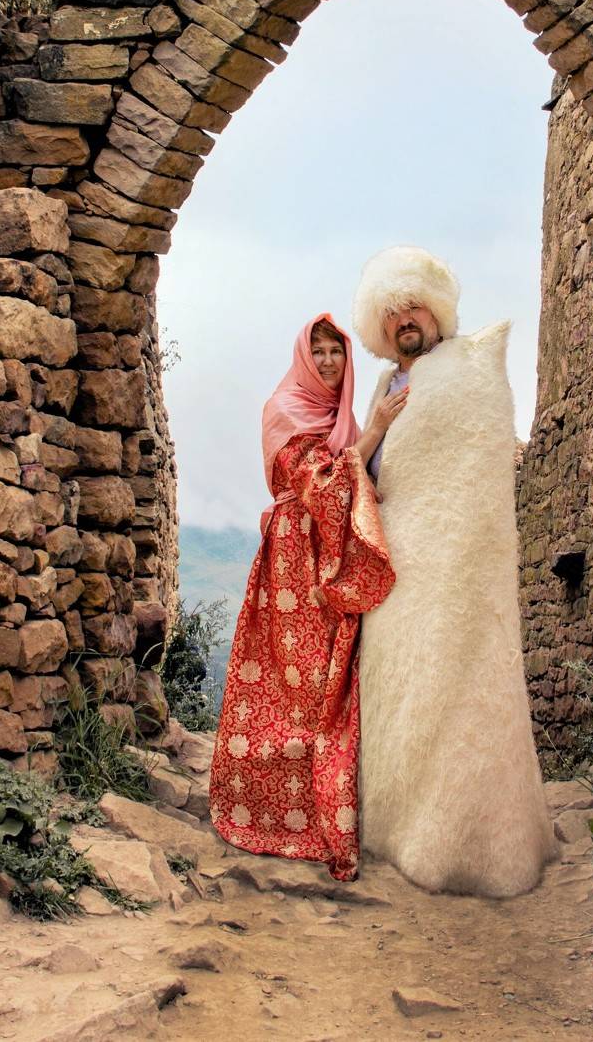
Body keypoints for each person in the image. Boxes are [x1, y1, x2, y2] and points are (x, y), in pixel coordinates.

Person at [352, 247, 558, 898]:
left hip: (450, 564)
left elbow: (477, 468)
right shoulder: (384, 388)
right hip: (393, 562)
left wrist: (461, 559)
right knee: (400, 693)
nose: (404, 320)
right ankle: (395, 827)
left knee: (454, 693)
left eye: (413, 306)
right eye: (392, 312)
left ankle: (464, 842)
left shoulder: (469, 366)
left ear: (435, 310)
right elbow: (365, 471)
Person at [209, 314, 405, 881]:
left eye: (335, 351)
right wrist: (376, 431)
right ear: (303, 357)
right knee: (293, 687)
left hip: (330, 557)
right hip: (294, 562)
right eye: (316, 351)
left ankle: (324, 810)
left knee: (327, 686)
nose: (326, 361)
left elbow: (355, 486)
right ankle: (274, 812)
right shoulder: (285, 409)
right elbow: (320, 485)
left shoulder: (340, 418)